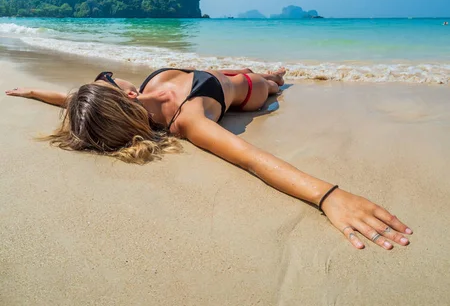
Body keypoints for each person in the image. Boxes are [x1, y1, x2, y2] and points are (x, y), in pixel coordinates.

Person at [6, 66, 412, 251]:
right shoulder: (190, 121)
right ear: (128, 99)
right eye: (110, 81)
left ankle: (274, 72)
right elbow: (251, 158)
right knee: (274, 82)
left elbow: (78, 99)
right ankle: (279, 78)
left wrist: (34, 93)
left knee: (260, 71)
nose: (109, 77)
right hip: (246, 91)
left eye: (107, 79)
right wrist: (329, 196)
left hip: (219, 70)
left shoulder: (118, 98)